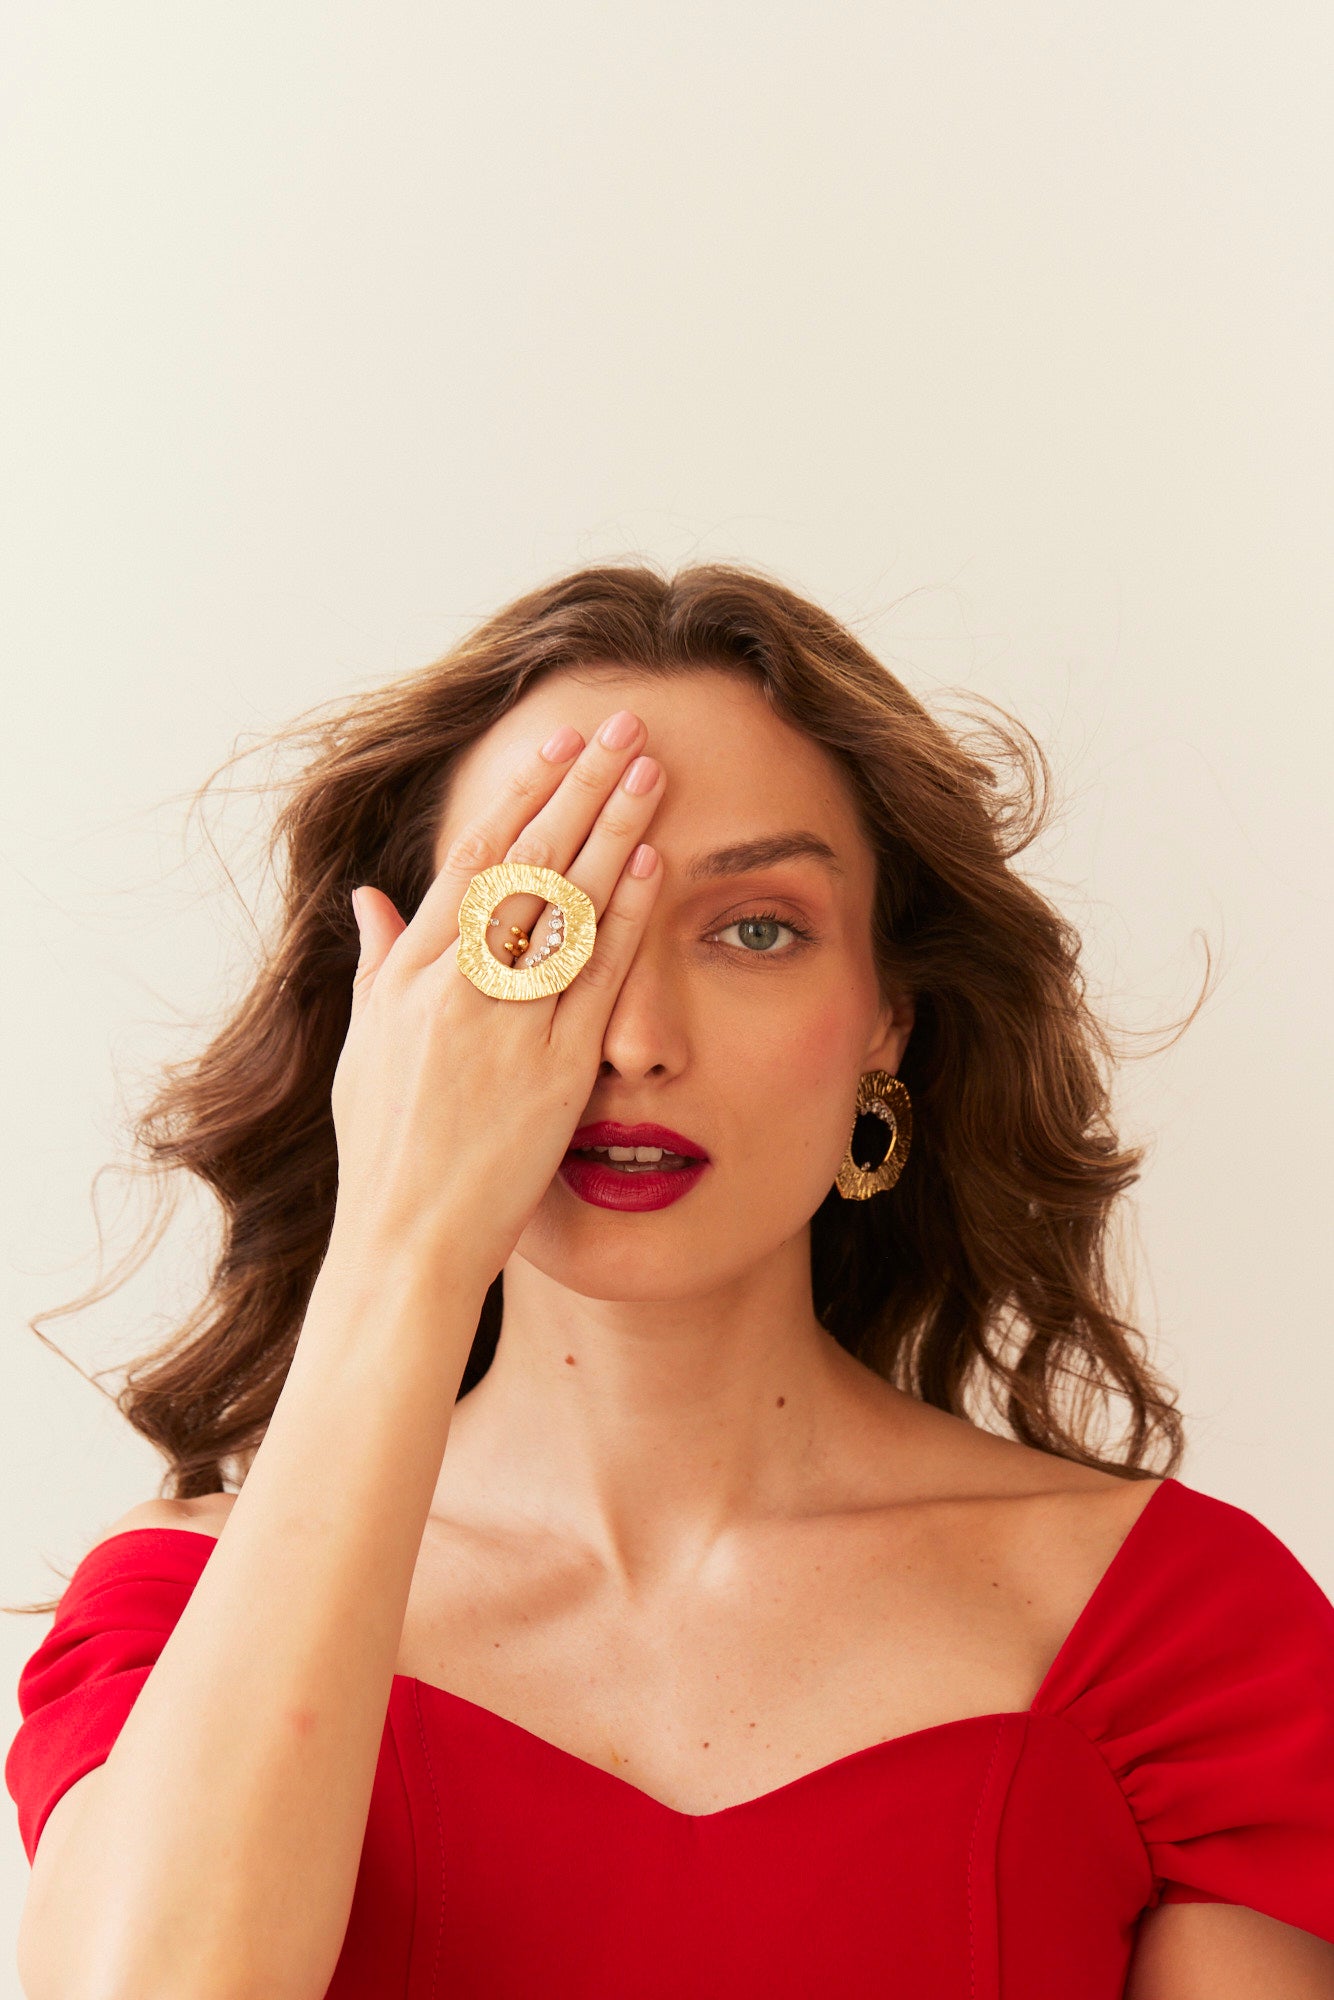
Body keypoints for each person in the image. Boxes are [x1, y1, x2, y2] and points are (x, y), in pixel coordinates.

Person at [6, 563, 1334, 1999]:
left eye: (755, 929)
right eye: (535, 930)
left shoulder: (1178, 1633)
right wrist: (401, 1233)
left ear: (886, 1019)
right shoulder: (179, 1614)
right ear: (394, 1012)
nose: (633, 1037)